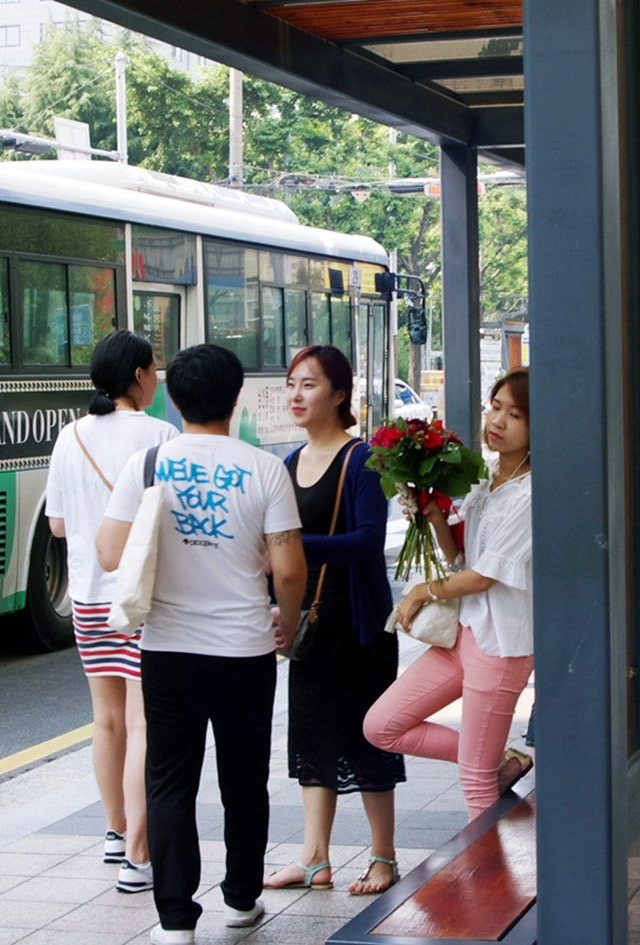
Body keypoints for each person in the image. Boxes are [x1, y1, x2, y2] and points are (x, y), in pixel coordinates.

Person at [96, 344, 306, 945]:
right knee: (243, 778)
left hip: (167, 648)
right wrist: (285, 624)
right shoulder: (264, 468)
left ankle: (175, 920)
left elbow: (111, 554)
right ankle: (241, 900)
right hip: (244, 648)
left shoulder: (147, 465)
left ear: (173, 398)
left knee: (169, 779)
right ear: (236, 398)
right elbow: (289, 570)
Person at [263, 346, 406, 897]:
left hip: (360, 624)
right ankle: (315, 859)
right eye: (292, 384)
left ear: (340, 394)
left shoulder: (363, 459)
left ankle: (383, 858)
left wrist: (294, 546)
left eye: (309, 385)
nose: (296, 395)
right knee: (313, 737)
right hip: (314, 623)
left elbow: (369, 542)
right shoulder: (286, 464)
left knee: (370, 739)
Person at [364, 368, 535, 822]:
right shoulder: (488, 474)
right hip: (463, 633)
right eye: (495, 407)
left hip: (501, 644)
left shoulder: (533, 491)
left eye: (514, 414)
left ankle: (494, 891)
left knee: (476, 784)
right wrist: (433, 514)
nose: (497, 421)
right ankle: (496, 757)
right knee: (381, 726)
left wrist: (423, 590)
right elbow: (460, 556)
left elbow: (485, 576)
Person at [44, 330, 177, 891]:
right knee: (146, 721)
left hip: (89, 598)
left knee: (107, 719)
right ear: (139, 375)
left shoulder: (69, 436)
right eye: (153, 368)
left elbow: (56, 524)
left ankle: (114, 831)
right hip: (141, 599)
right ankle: (137, 856)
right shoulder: (161, 436)